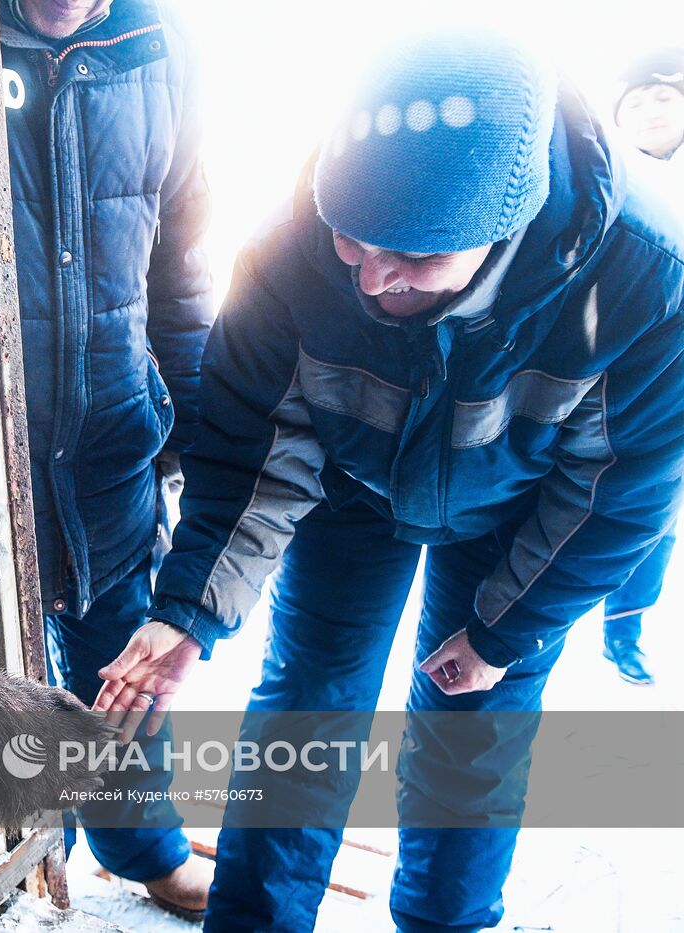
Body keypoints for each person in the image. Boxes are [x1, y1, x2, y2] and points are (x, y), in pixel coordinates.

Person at [94, 32, 684, 932]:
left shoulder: (648, 278)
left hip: (519, 513)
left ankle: (445, 921)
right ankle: (254, 921)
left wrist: (504, 628)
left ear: (505, 230)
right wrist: (191, 609)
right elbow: (250, 444)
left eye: (412, 258)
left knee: (474, 712)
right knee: (307, 695)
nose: (369, 277)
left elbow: (622, 487)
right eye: (352, 239)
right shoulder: (294, 250)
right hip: (350, 488)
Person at [0, 0, 217, 916]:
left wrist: (204, 423)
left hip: (110, 425)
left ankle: (143, 849)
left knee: (119, 645)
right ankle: (14, 852)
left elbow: (182, 260)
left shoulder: (159, 47)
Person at [598, 47, 684, 684]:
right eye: (636, 101)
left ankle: (624, 629)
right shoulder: (602, 176)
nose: (651, 110)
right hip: (598, 361)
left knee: (654, 503)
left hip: (672, 372)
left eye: (665, 97)